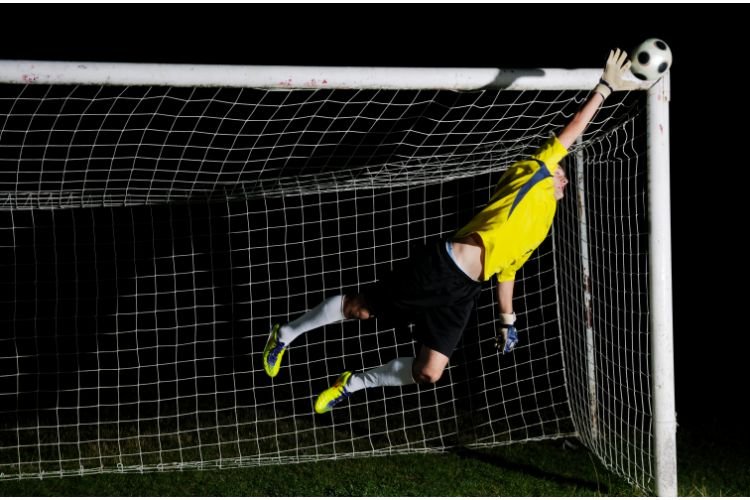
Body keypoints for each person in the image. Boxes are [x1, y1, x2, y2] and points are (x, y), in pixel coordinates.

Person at [262, 49, 632, 414]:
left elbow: (508, 271)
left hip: (465, 291)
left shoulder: (544, 220)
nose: (564, 175)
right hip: (441, 266)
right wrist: (604, 88)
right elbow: (572, 132)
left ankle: (353, 382)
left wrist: (508, 321)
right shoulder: (533, 173)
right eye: (561, 169)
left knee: (429, 372)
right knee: (361, 310)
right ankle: (287, 333)